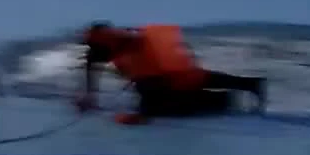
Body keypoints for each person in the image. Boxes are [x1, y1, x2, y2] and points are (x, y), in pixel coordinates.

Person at [75, 22, 268, 125]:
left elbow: (149, 91)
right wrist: (90, 95)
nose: (92, 55)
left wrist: (141, 116)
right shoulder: (112, 44)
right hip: (178, 76)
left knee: (167, 107)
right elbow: (91, 64)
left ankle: (224, 99)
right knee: (192, 79)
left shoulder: (134, 54)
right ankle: (249, 85)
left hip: (173, 81)